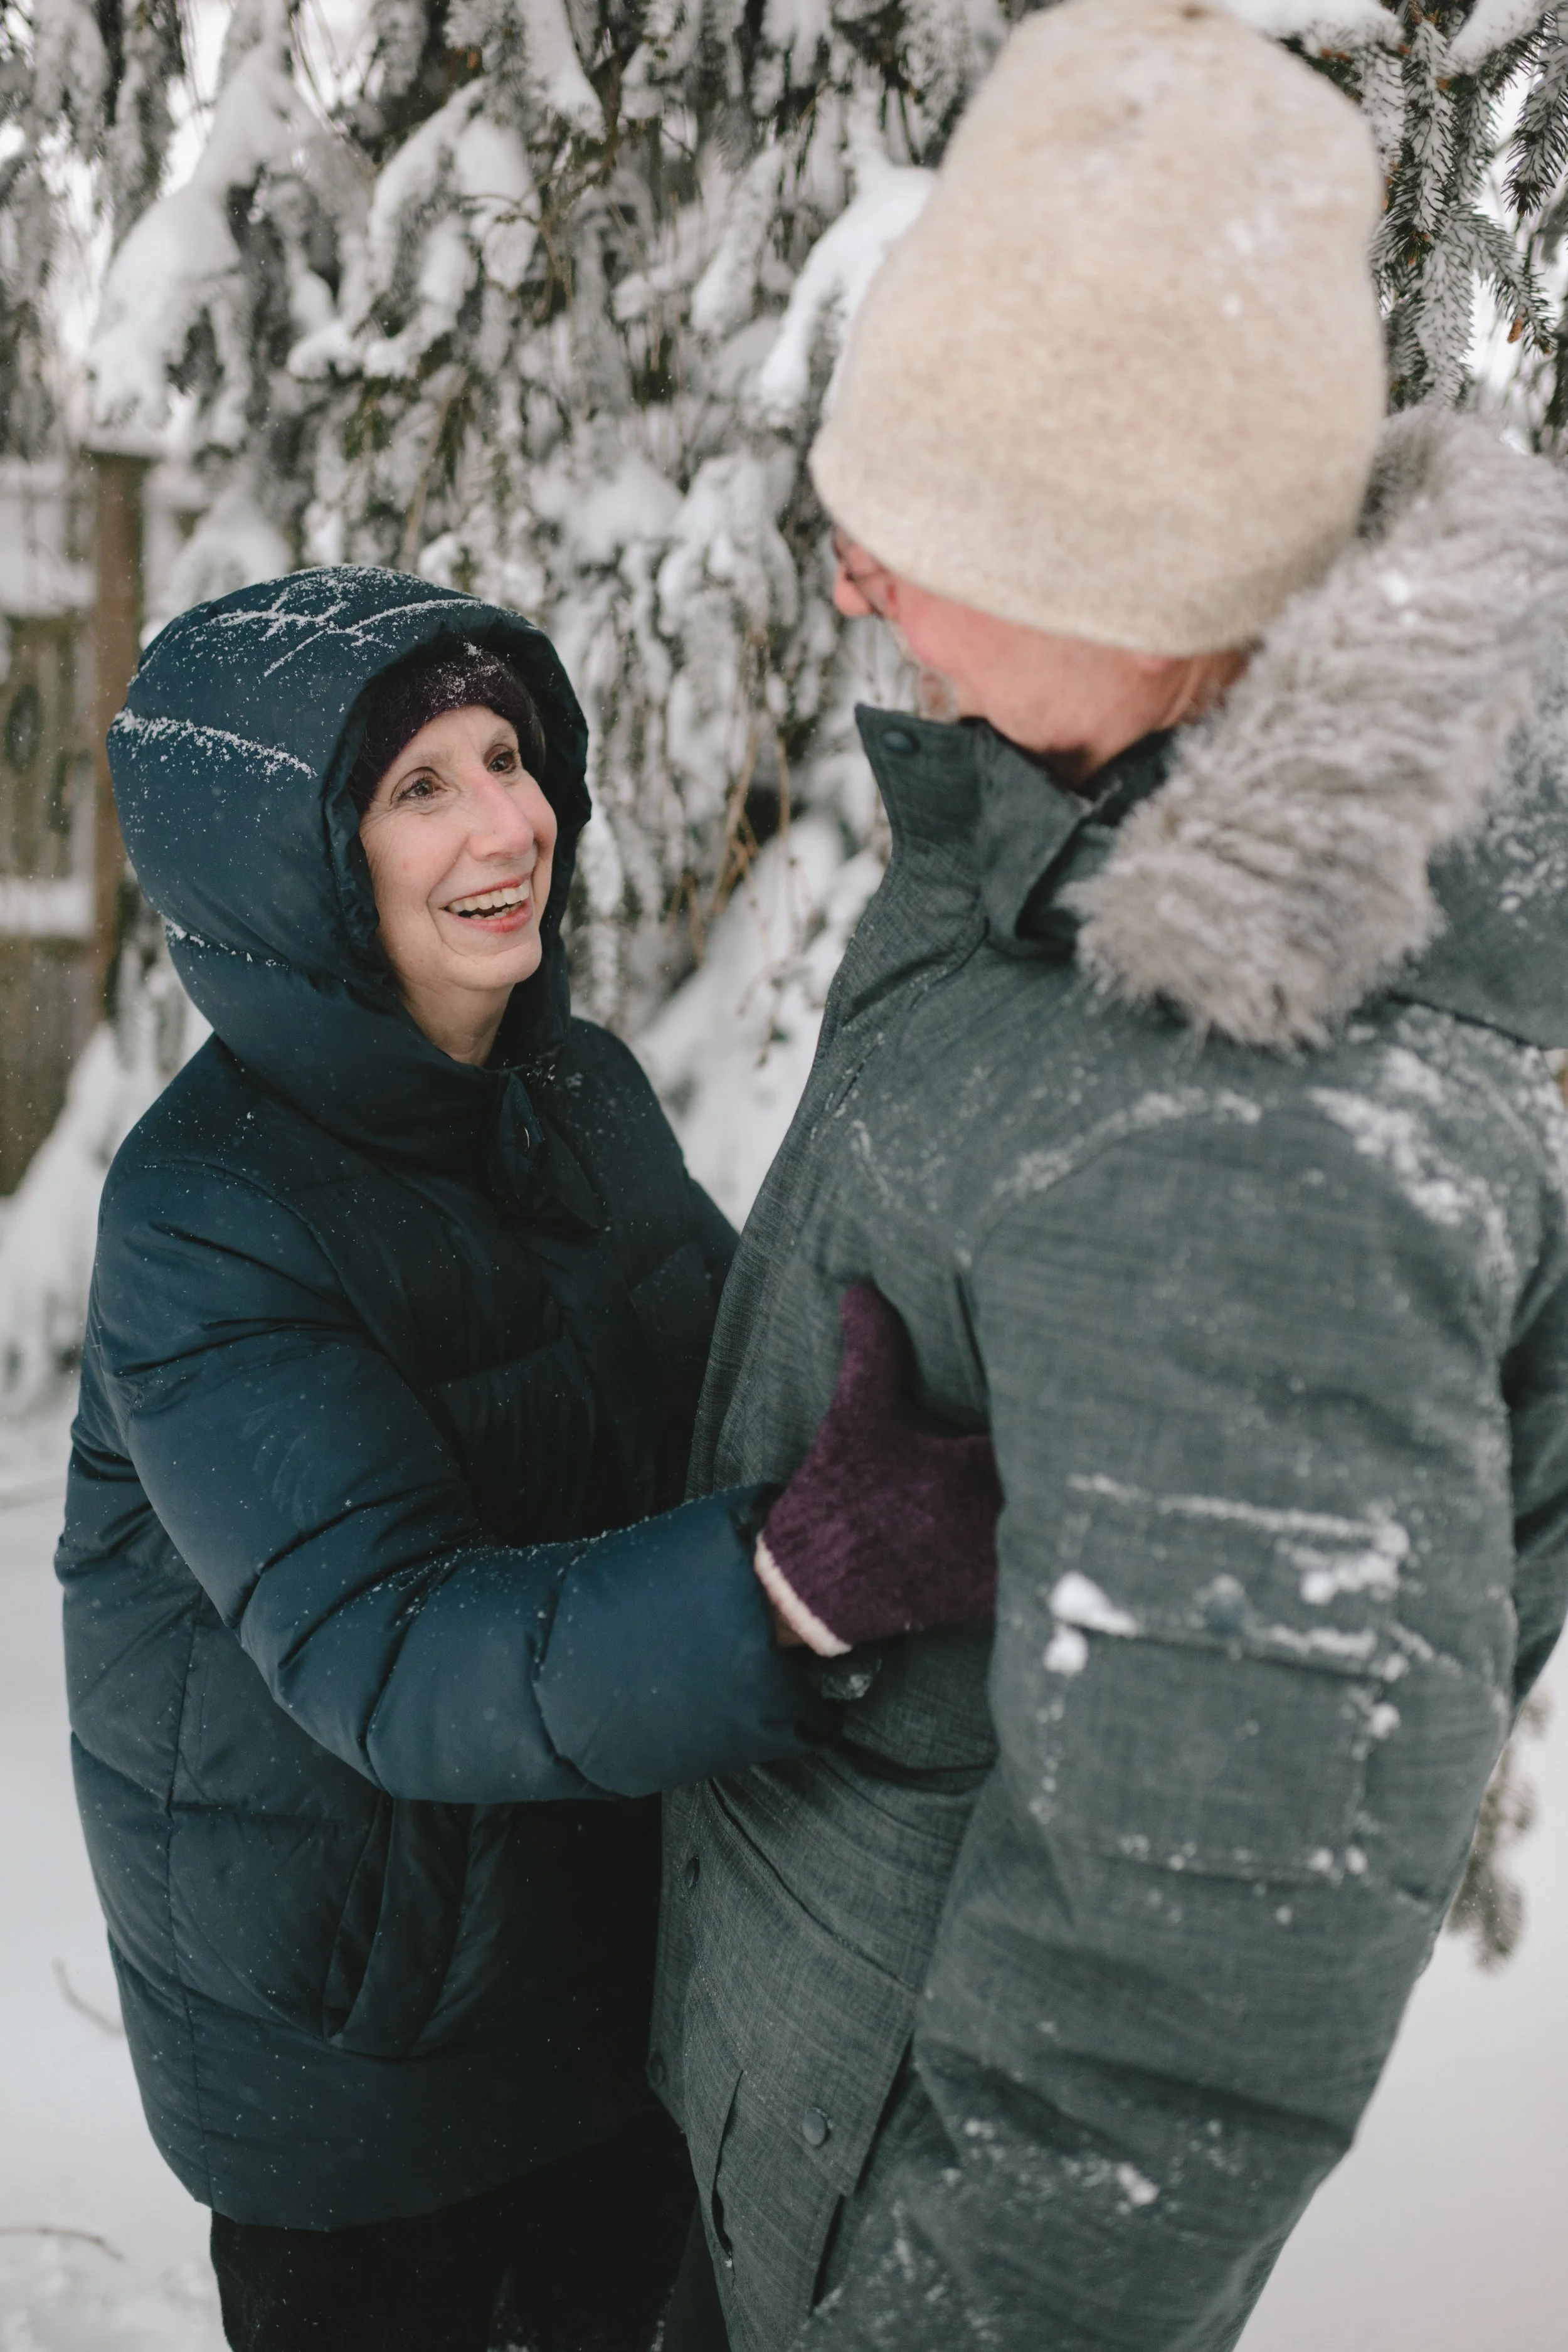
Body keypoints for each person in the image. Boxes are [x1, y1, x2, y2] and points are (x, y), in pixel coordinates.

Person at [652, 4, 1568, 2348]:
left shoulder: (1265, 1135)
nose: (851, 590)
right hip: (799, 2086)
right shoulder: (1064, 846)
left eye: (903, 541)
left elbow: (1175, 2017)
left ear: (1122, 583)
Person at [57, 569, 995, 2352]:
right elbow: (390, 1648)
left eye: (510, 755)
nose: (510, 822)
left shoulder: (581, 1096)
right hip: (366, 2068)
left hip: (603, 1979)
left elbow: (734, 1393)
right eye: (421, 787)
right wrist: (787, 1588)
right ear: (284, 861)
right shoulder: (208, 1212)